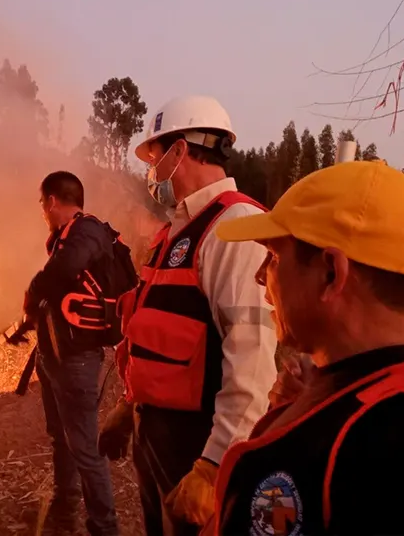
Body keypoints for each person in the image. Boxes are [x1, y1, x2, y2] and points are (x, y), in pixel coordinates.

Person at [97, 95, 278, 534]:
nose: (151, 172)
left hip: (198, 447)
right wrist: (130, 405)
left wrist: (214, 466)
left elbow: (251, 363)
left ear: (181, 152)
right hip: (157, 442)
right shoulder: (174, 234)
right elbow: (156, 331)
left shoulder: (236, 227)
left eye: (155, 158)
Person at [208, 159, 404, 535]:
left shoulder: (372, 448)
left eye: (272, 257)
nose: (259, 277)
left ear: (331, 273)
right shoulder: (360, 408)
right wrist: (311, 408)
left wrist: (308, 437)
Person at [12, 171, 136, 536]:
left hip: (78, 361)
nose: (42, 212)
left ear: (52, 202)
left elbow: (63, 271)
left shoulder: (86, 231)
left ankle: (104, 527)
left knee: (84, 446)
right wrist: (27, 325)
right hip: (56, 358)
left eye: (42, 204)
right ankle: (65, 511)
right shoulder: (67, 239)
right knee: (62, 437)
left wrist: (32, 292)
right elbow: (64, 294)